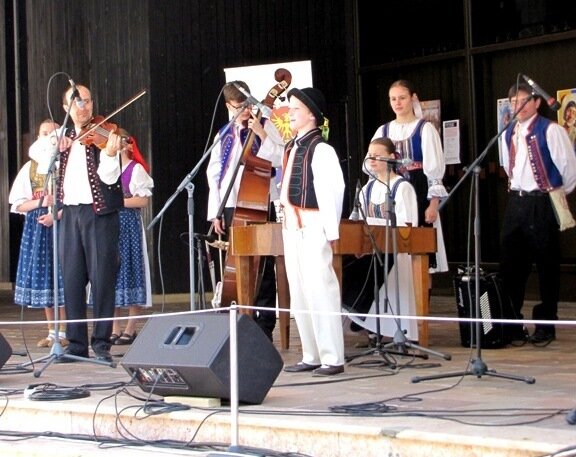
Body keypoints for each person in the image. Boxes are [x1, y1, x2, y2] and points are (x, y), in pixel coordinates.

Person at [29, 83, 124, 363]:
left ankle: (102, 345)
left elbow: (109, 179)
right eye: (78, 102)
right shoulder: (61, 135)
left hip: (99, 214)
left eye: (87, 101)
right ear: (65, 108)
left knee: (102, 279)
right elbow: (36, 152)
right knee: (71, 280)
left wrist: (108, 155)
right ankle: (76, 346)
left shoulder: (106, 134)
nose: (84, 107)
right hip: (68, 215)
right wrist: (54, 143)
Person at [205, 81, 284, 341]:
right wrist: (215, 211)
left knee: (263, 268)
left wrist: (261, 133)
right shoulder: (224, 133)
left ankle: (265, 326)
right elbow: (214, 173)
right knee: (237, 267)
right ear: (229, 106)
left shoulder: (265, 125)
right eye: (241, 107)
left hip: (261, 202)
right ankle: (239, 322)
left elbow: (279, 157)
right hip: (231, 205)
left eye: (249, 105)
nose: (247, 111)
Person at [500, 81, 576, 346]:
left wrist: (550, 193)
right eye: (513, 103)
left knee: (546, 264)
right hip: (516, 201)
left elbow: (569, 170)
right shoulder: (510, 132)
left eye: (522, 101)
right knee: (511, 265)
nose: (518, 107)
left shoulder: (551, 130)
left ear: (536, 102)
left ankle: (545, 324)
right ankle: (511, 322)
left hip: (542, 201)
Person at [280, 87, 346, 376]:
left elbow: (332, 191)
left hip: (313, 223)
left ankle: (332, 357)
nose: (290, 112)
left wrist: (331, 231)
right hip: (292, 225)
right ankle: (312, 353)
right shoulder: (291, 146)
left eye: (295, 108)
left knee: (320, 289)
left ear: (310, 114)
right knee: (299, 292)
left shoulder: (321, 149)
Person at [343, 137, 419, 342]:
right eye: (370, 156)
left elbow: (408, 226)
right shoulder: (366, 189)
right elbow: (355, 220)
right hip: (370, 250)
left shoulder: (402, 187)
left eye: (378, 156)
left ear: (392, 158)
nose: (372, 160)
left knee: (373, 268)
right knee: (348, 267)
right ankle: (370, 326)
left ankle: (396, 331)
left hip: (394, 251)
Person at [371, 79, 448, 277]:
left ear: (413, 98)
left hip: (418, 189)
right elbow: (372, 164)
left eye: (402, 98)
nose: (397, 103)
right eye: (393, 99)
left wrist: (433, 204)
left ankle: (422, 297)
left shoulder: (425, 129)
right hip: (391, 190)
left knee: (420, 246)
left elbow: (434, 169)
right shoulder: (383, 131)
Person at [8, 119, 68, 348]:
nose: (47, 137)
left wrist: (58, 214)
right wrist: (42, 201)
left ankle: (64, 331)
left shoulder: (67, 165)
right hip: (37, 227)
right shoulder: (30, 168)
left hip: (63, 226)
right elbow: (18, 204)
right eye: (43, 133)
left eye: (52, 133)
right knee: (46, 279)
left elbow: (78, 201)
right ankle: (52, 332)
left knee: (63, 279)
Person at [108, 128, 154, 345]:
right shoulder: (107, 170)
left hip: (128, 225)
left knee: (132, 270)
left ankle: (131, 326)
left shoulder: (135, 170)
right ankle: (114, 326)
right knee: (112, 274)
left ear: (126, 145)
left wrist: (117, 202)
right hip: (109, 225)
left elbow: (142, 200)